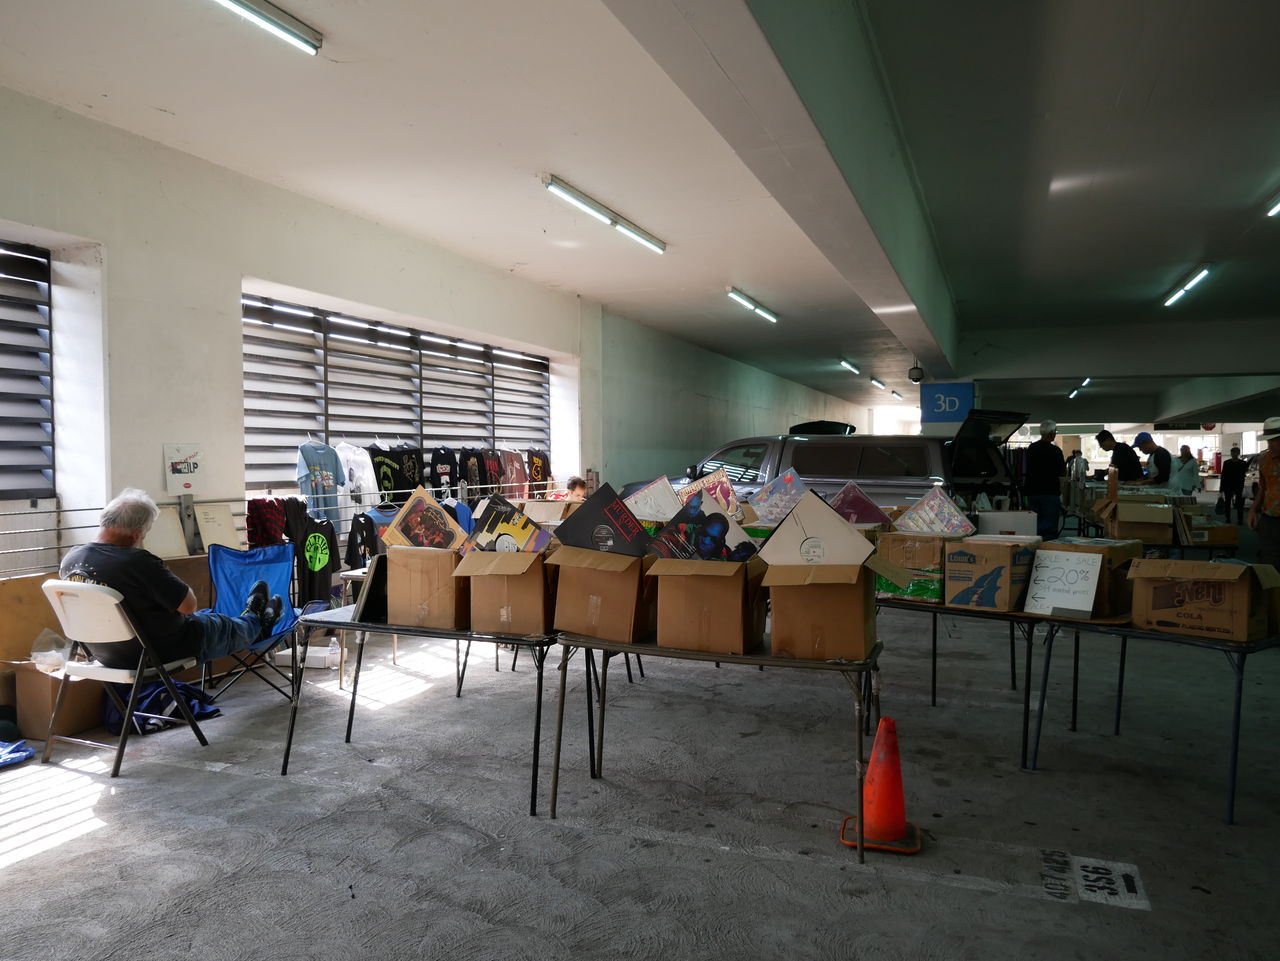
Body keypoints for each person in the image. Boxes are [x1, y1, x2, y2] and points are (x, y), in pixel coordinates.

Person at [60, 489, 285, 669]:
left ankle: (251, 617)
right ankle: (259, 623)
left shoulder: (71, 559)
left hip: (104, 654)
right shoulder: (137, 561)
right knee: (220, 625)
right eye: (146, 531)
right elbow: (188, 606)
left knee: (207, 617)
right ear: (137, 533)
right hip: (156, 652)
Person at [1023, 419, 1065, 540]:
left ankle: (1033, 545)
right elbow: (1062, 472)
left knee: (1034, 524)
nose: (1055, 434)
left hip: (1033, 492)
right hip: (1050, 492)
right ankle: (1047, 547)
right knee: (1049, 526)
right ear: (1051, 433)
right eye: (1055, 431)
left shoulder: (1032, 448)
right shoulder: (1056, 451)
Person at [1247, 417, 1280, 567]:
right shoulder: (1265, 459)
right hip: (1269, 520)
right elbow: (1263, 487)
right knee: (1269, 566)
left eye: (1274, 440)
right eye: (1268, 440)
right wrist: (1253, 510)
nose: (1270, 444)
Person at [1220, 446, 1248, 525]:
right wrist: (1221, 488)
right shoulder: (1226, 463)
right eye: (1232, 453)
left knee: (1239, 504)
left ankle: (1240, 520)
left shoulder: (1243, 463)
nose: (1233, 454)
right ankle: (1228, 518)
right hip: (1228, 485)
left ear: (1238, 453)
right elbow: (1223, 475)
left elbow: (1245, 475)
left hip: (1239, 486)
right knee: (1227, 503)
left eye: (1235, 453)